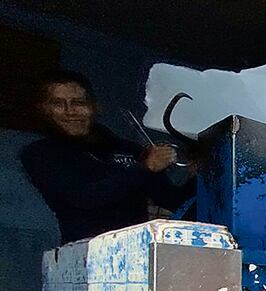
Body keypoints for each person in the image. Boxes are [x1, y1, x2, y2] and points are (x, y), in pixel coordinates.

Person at [20, 71, 193, 245]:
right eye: (58, 103)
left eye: (78, 103)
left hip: (137, 252)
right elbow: (84, 198)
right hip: (83, 254)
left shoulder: (130, 150)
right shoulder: (40, 153)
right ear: (43, 109)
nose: (70, 111)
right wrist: (145, 168)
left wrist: (198, 173)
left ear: (95, 107)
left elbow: (173, 200)